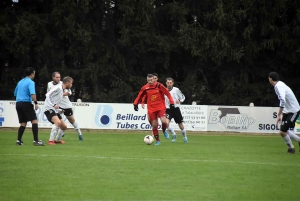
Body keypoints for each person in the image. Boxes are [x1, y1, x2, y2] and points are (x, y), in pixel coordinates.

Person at [133, 74, 175, 145]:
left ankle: (164, 130)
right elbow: (140, 95)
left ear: (154, 79)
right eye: (148, 80)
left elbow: (167, 93)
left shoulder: (159, 86)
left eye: (151, 80)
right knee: (154, 125)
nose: (150, 81)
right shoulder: (145, 88)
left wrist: (171, 102)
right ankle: (158, 141)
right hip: (151, 109)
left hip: (160, 107)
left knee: (164, 121)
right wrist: (135, 103)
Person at [47, 72, 83, 143]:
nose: (58, 79)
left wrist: (59, 94)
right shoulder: (49, 84)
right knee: (58, 122)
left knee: (72, 121)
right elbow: (49, 94)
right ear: (53, 78)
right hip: (57, 106)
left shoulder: (62, 84)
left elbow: (69, 92)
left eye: (59, 77)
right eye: (57, 77)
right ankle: (56, 139)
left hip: (66, 106)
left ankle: (79, 134)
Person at [268, 72, 300, 154]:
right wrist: (282, 113)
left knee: (282, 131)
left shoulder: (279, 86)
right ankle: (297, 142)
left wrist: (279, 115)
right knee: (283, 130)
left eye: (269, 78)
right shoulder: (279, 85)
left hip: (293, 110)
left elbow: (282, 100)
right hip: (287, 110)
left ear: (271, 78)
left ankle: (291, 149)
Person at [14, 67, 45, 146]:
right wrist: (35, 102)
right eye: (34, 73)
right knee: (34, 121)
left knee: (23, 122)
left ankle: (19, 140)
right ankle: (36, 140)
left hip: (18, 103)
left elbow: (15, 93)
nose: (34, 74)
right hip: (26, 103)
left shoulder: (20, 82)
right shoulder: (31, 82)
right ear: (32, 74)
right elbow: (32, 93)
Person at [44, 76, 74, 145]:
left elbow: (55, 100)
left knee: (64, 126)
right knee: (57, 123)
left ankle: (57, 140)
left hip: (54, 109)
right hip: (49, 108)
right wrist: (54, 105)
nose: (71, 85)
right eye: (71, 83)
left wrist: (60, 109)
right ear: (67, 83)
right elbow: (48, 95)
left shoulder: (62, 90)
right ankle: (50, 141)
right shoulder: (58, 88)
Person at [165, 77, 188, 143]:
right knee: (166, 123)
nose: (169, 84)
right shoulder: (164, 90)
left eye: (170, 83)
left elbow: (183, 97)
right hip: (168, 109)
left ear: (173, 83)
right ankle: (174, 134)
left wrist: (180, 100)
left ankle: (184, 137)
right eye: (168, 83)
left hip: (175, 109)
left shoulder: (176, 90)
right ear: (166, 83)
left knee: (180, 125)